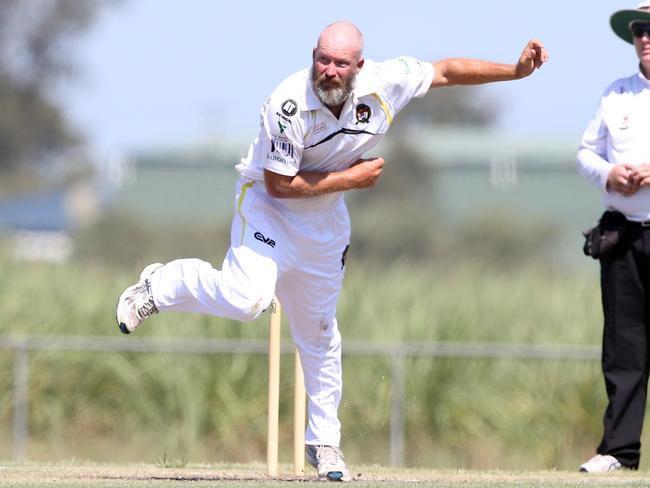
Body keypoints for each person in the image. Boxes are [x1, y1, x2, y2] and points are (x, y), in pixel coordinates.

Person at [116, 21, 548, 481]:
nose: (329, 71)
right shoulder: (288, 104)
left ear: (359, 65)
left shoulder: (385, 81)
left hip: (324, 223)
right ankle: (162, 283)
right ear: (313, 56)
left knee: (319, 332)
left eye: (341, 63)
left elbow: (445, 71)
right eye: (323, 59)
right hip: (267, 206)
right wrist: (352, 180)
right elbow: (280, 186)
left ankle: (325, 443)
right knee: (247, 301)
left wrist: (515, 72)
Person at [577, 1, 650, 474]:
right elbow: (586, 153)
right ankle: (619, 452)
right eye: (640, 29)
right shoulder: (616, 94)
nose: (645, 37)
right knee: (623, 347)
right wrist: (610, 175)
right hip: (623, 236)